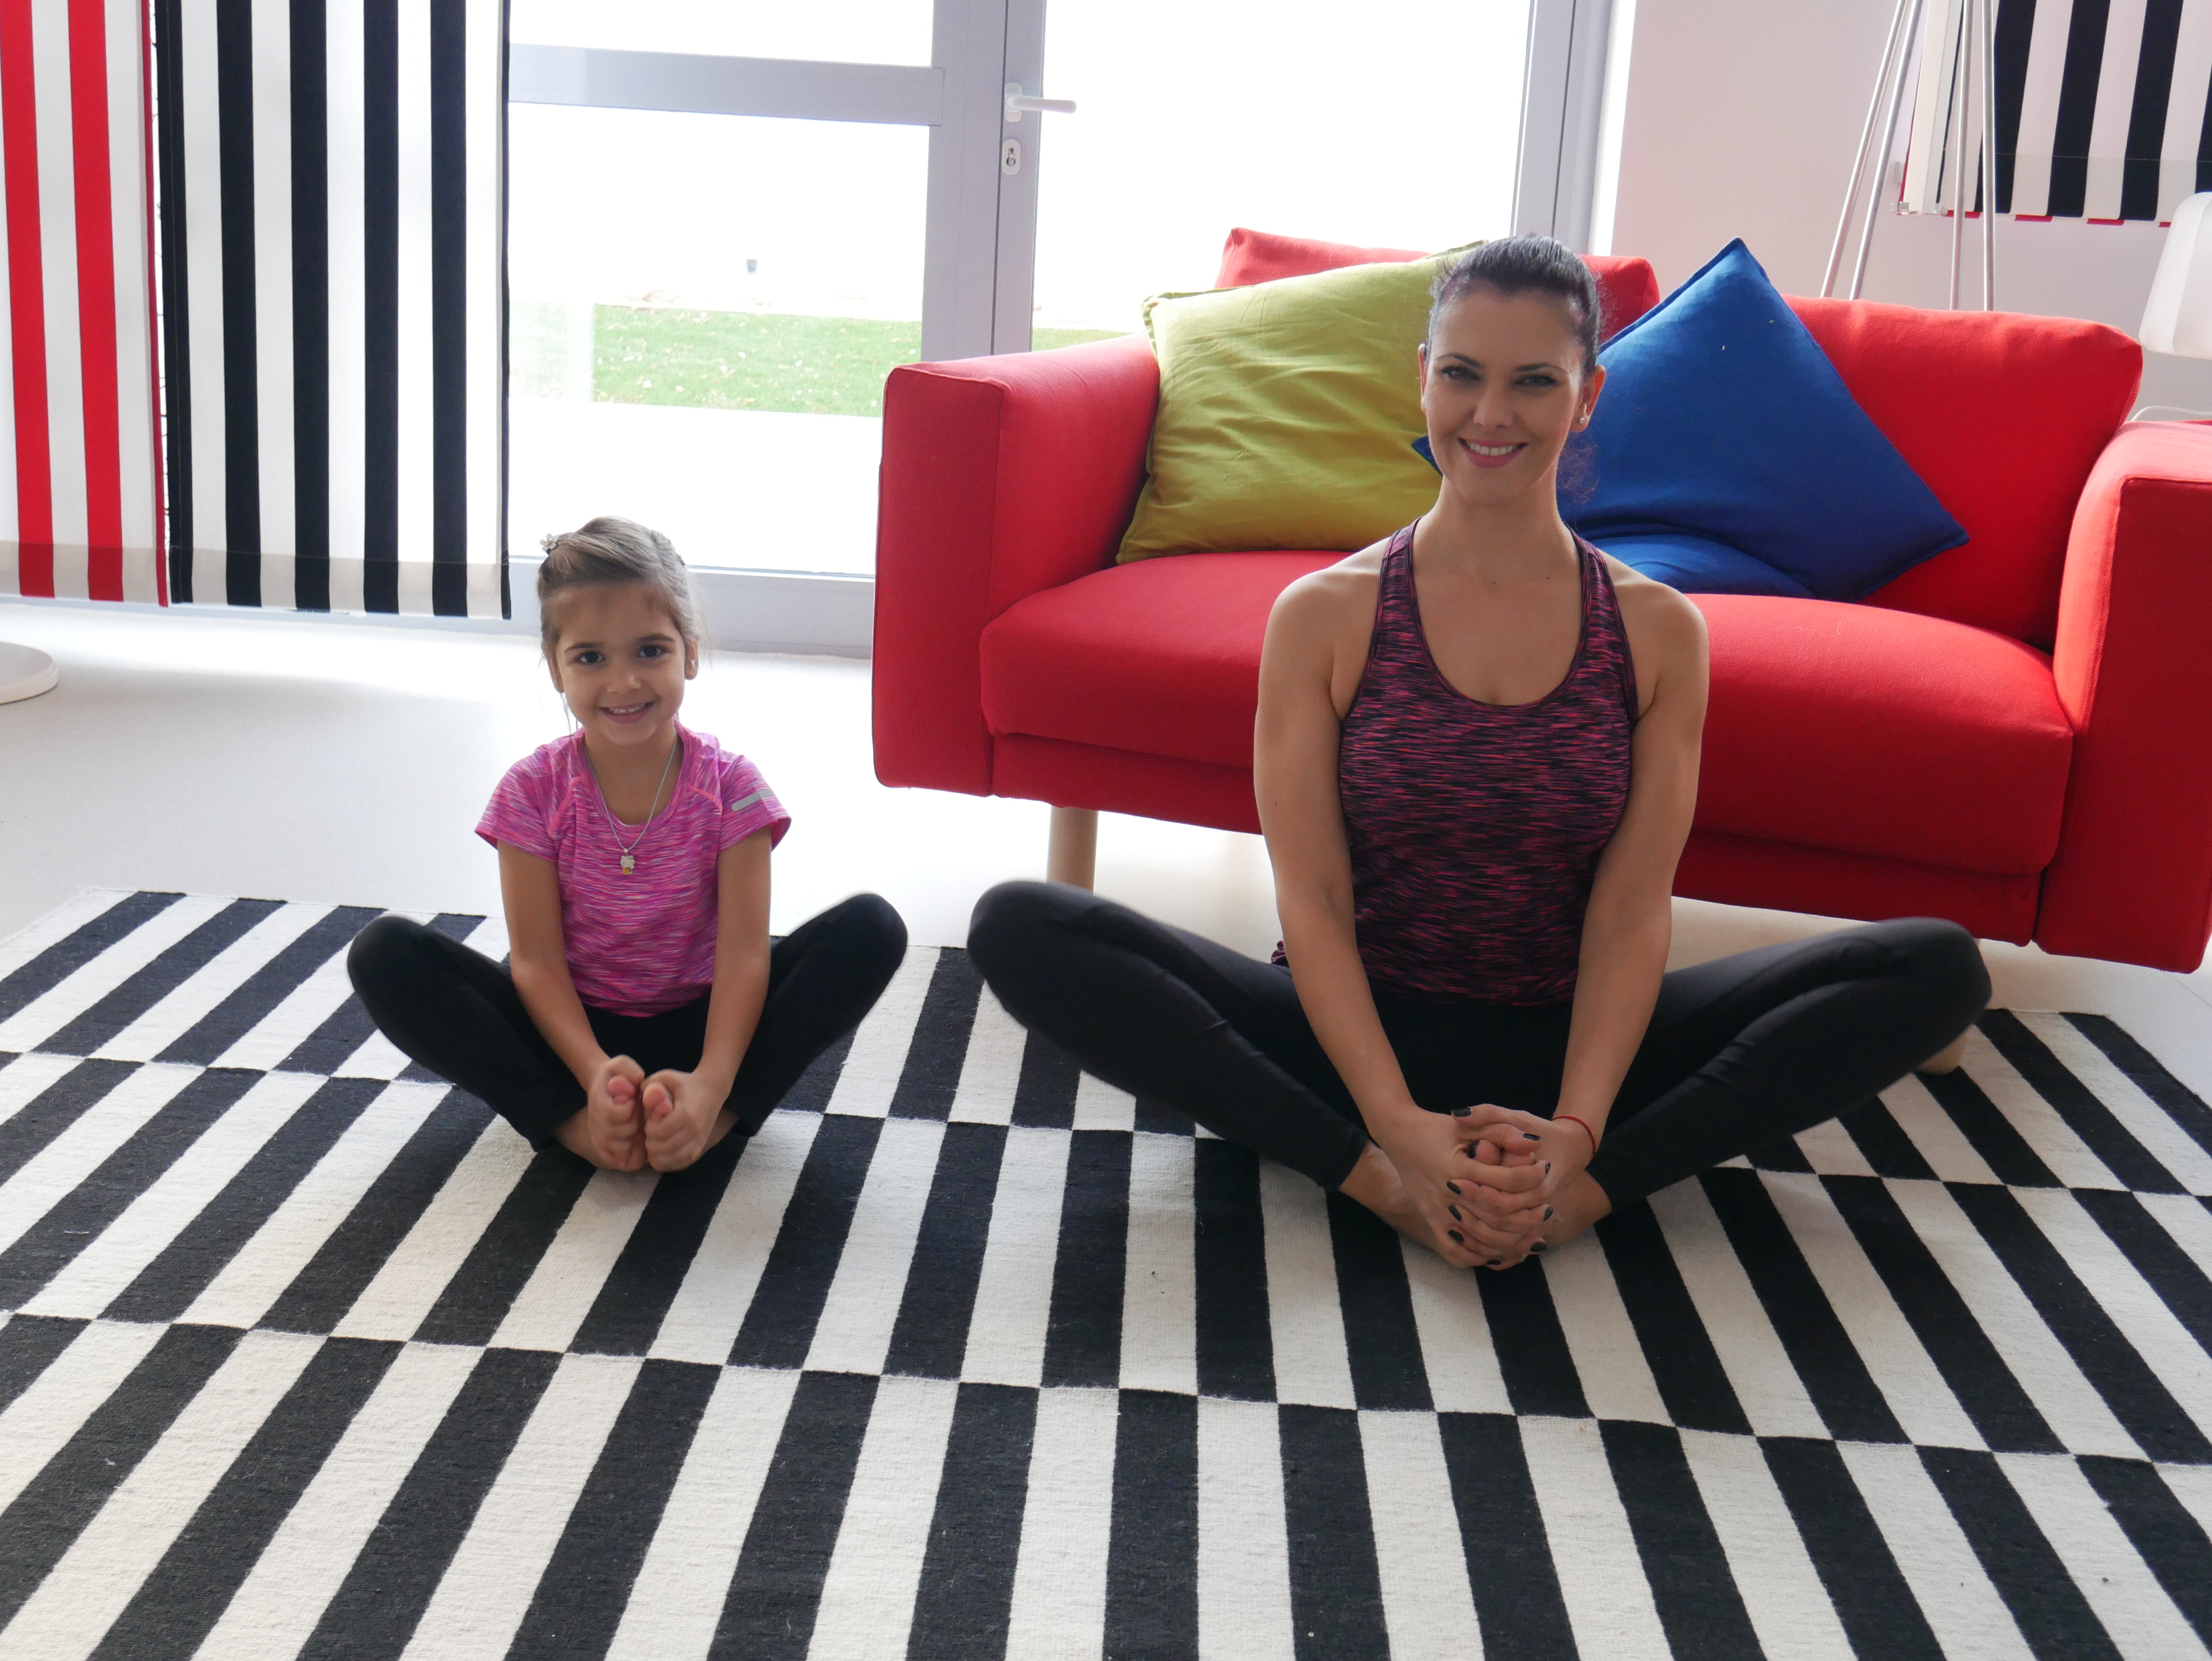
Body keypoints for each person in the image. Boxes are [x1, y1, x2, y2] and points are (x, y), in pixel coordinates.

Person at [967, 237, 1988, 1269]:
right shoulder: (1325, 615)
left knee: (1934, 967)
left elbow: (1632, 908)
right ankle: (1378, 1183)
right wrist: (1396, 1133)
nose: (1490, 414)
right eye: (1461, 373)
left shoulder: (1657, 631)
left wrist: (1580, 1133)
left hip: (1567, 1041)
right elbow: (1313, 898)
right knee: (1021, 923)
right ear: (1423, 377)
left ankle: (1578, 1196)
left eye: (1533, 382)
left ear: (1587, 397)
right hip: (1353, 1041)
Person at [348, 516, 906, 1172]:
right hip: (569, 1033)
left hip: (705, 1023)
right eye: (591, 658)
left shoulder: (733, 788)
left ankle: (714, 1117)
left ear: (689, 653)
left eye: (650, 651)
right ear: (556, 669)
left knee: (872, 928)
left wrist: (715, 1081)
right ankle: (571, 1123)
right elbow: (537, 963)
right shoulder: (531, 790)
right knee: (384, 953)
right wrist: (592, 1075)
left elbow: (744, 959)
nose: (624, 683)